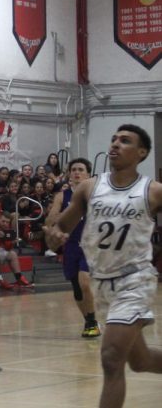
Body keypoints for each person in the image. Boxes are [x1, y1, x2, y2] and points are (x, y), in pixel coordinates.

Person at [47, 125, 162, 408]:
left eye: (125, 141)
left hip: (134, 280)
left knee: (111, 358)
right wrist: (55, 234)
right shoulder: (90, 187)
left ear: (141, 152)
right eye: (113, 139)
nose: (115, 144)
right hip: (103, 283)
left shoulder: (153, 191)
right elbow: (61, 226)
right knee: (140, 361)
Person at [46, 157, 100, 338]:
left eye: (81, 169)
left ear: (88, 174)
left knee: (85, 282)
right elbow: (51, 220)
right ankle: (88, 320)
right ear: (69, 173)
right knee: (77, 289)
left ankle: (92, 322)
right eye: (74, 169)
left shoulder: (96, 194)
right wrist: (57, 225)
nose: (77, 172)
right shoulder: (62, 196)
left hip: (90, 245)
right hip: (70, 246)